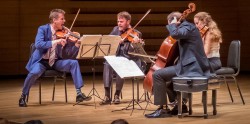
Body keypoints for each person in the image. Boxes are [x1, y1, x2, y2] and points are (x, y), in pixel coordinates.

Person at [18, 9, 91, 107]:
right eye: (62, 19)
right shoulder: (43, 29)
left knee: (73, 63)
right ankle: (23, 96)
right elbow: (38, 44)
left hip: (56, 62)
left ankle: (79, 94)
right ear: (54, 20)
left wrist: (76, 45)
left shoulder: (64, 34)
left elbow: (69, 54)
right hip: (42, 62)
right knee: (34, 73)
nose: (64, 21)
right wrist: (56, 42)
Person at [145, 11, 211, 118]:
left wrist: (172, 25)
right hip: (186, 65)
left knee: (157, 75)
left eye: (169, 23)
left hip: (191, 67)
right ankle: (179, 105)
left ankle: (163, 110)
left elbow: (175, 34)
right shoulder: (186, 28)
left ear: (174, 20)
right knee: (166, 80)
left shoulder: (188, 27)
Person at [100, 11, 145, 105]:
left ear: (128, 22)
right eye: (118, 21)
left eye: (121, 22)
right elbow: (108, 40)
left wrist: (135, 44)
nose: (119, 24)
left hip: (129, 59)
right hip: (116, 57)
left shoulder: (136, 34)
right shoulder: (115, 30)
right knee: (107, 63)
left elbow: (134, 54)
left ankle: (117, 94)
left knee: (120, 64)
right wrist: (116, 41)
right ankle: (107, 95)